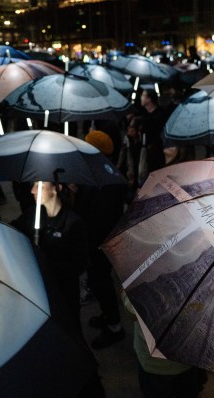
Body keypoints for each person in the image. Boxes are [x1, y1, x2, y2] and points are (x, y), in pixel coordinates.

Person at [10, 179, 89, 336]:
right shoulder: (33, 214)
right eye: (33, 185)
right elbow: (11, 230)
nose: (32, 190)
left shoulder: (72, 223)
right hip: (40, 289)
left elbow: (79, 264)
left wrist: (44, 261)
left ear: (56, 188)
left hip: (63, 292)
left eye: (39, 186)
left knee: (70, 331)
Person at [75, 129, 127, 349]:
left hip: (100, 242)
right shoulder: (98, 172)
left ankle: (115, 326)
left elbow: (101, 217)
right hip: (96, 240)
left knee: (102, 282)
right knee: (99, 282)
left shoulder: (109, 180)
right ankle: (108, 315)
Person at [123, 292, 206, 398]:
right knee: (188, 386)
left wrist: (123, 292)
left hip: (155, 364)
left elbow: (130, 309)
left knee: (157, 397)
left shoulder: (151, 294)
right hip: (188, 357)